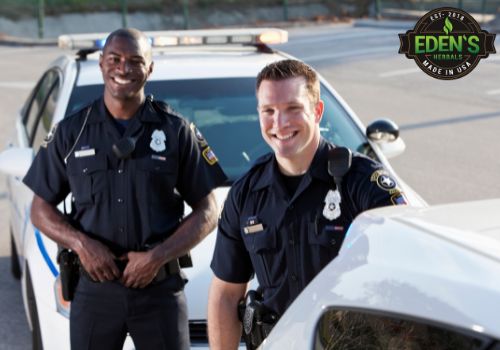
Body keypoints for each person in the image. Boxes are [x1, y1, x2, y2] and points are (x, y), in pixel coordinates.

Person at [23, 28, 226, 350]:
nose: (124, 68)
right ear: (102, 64)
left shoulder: (175, 130)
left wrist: (157, 257)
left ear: (149, 68)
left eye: (135, 60)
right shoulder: (72, 132)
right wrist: (82, 245)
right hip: (94, 293)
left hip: (160, 292)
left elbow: (209, 209)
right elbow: (39, 209)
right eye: (115, 59)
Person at [207, 59, 407, 349]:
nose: (280, 123)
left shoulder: (363, 183)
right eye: (269, 111)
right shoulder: (245, 194)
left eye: (293, 108)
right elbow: (226, 294)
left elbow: (406, 274)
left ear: (317, 111)